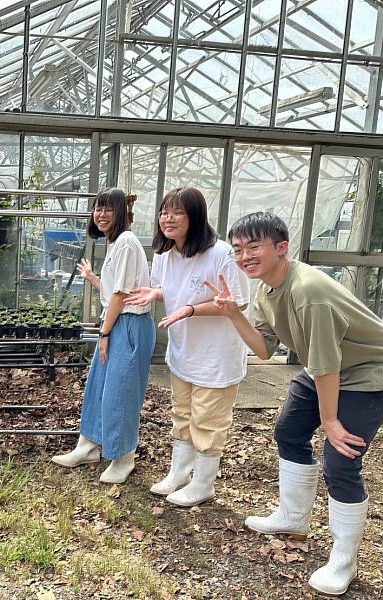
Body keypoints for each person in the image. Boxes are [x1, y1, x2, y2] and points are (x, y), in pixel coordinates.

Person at [208, 212, 383, 596]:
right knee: (289, 432)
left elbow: (328, 366)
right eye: (238, 250)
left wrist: (330, 421)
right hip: (326, 368)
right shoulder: (265, 289)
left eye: (254, 247)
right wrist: (233, 313)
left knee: (340, 459)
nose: (245, 256)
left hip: (370, 371)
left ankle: (344, 562)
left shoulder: (309, 291)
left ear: (282, 249)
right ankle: (293, 518)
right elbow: (264, 349)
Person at [125, 187, 250, 507]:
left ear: (195, 217)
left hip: (216, 355)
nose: (168, 218)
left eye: (178, 212)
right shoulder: (165, 253)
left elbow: (238, 301)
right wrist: (157, 295)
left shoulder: (222, 254)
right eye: (164, 212)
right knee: (181, 414)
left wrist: (192, 309)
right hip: (183, 350)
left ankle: (203, 483)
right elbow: (167, 288)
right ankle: (179, 473)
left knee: (207, 422)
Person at [51, 188, 155, 484]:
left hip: (129, 326)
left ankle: (124, 458)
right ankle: (89, 446)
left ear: (122, 212)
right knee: (99, 386)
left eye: (109, 208)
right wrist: (94, 279)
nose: (102, 214)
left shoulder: (125, 242)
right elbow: (115, 292)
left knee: (121, 392)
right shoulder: (115, 243)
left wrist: (105, 332)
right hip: (117, 322)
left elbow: (121, 295)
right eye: (98, 208)